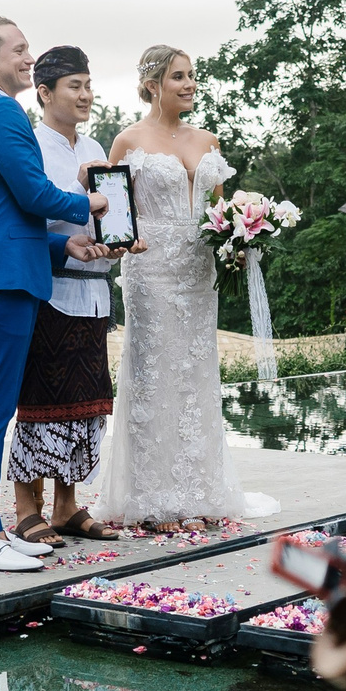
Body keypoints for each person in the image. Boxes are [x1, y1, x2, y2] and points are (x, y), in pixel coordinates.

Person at [0, 16, 109, 572]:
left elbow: (6, 212)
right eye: (18, 50)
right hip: (0, 275)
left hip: (10, 266)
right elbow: (33, 194)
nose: (27, 57)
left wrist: (66, 251)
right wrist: (88, 205)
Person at [100, 46, 249, 527]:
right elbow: (112, 211)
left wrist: (241, 238)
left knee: (196, 375)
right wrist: (123, 243)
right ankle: (154, 498)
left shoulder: (209, 140)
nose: (189, 84)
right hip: (151, 270)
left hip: (198, 273)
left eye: (191, 76)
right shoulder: (127, 140)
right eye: (178, 77)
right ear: (152, 85)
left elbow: (220, 213)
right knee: (154, 376)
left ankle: (200, 491)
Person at [8, 45, 132, 546]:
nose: (86, 95)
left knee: (86, 404)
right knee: (41, 401)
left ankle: (67, 506)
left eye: (88, 84)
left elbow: (108, 215)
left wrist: (124, 238)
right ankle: (24, 508)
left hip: (95, 290)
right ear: (44, 93)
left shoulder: (94, 145)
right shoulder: (31, 146)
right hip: (49, 290)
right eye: (74, 86)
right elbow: (30, 216)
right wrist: (83, 194)